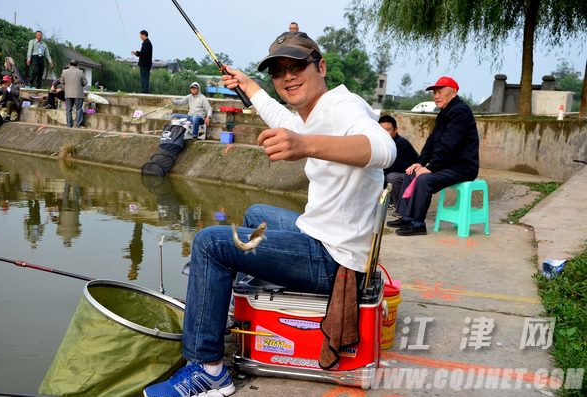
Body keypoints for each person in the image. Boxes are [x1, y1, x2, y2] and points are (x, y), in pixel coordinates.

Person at [143, 31, 396, 397]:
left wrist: (304, 145)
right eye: (279, 72)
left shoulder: (344, 107)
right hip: (328, 238)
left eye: (298, 67)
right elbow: (288, 121)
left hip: (333, 260)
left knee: (210, 243)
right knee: (257, 211)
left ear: (321, 66)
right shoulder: (315, 112)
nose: (288, 77)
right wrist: (251, 86)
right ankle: (224, 304)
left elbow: (384, 149)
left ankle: (207, 369)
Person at [387, 76, 479, 236]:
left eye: (440, 91)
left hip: (462, 167)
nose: (436, 95)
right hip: (447, 165)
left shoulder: (460, 112)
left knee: (424, 179)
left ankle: (417, 224)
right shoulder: (445, 112)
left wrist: (431, 168)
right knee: (411, 173)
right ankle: (407, 217)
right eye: (434, 92)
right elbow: (432, 141)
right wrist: (420, 163)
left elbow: (449, 145)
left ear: (454, 92)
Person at [379, 115, 419, 209]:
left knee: (391, 177)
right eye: (382, 130)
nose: (385, 133)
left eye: (388, 130)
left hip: (410, 175)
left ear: (395, 130)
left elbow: (396, 167)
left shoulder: (401, 144)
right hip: (395, 173)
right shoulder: (380, 143)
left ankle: (401, 210)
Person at [60, 60, 87, 128]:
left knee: (68, 109)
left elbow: (62, 82)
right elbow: (85, 82)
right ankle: (78, 125)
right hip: (78, 93)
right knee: (78, 109)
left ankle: (69, 125)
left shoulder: (64, 71)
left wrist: (65, 88)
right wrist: (81, 85)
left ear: (69, 64)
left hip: (68, 94)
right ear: (77, 65)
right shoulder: (80, 72)